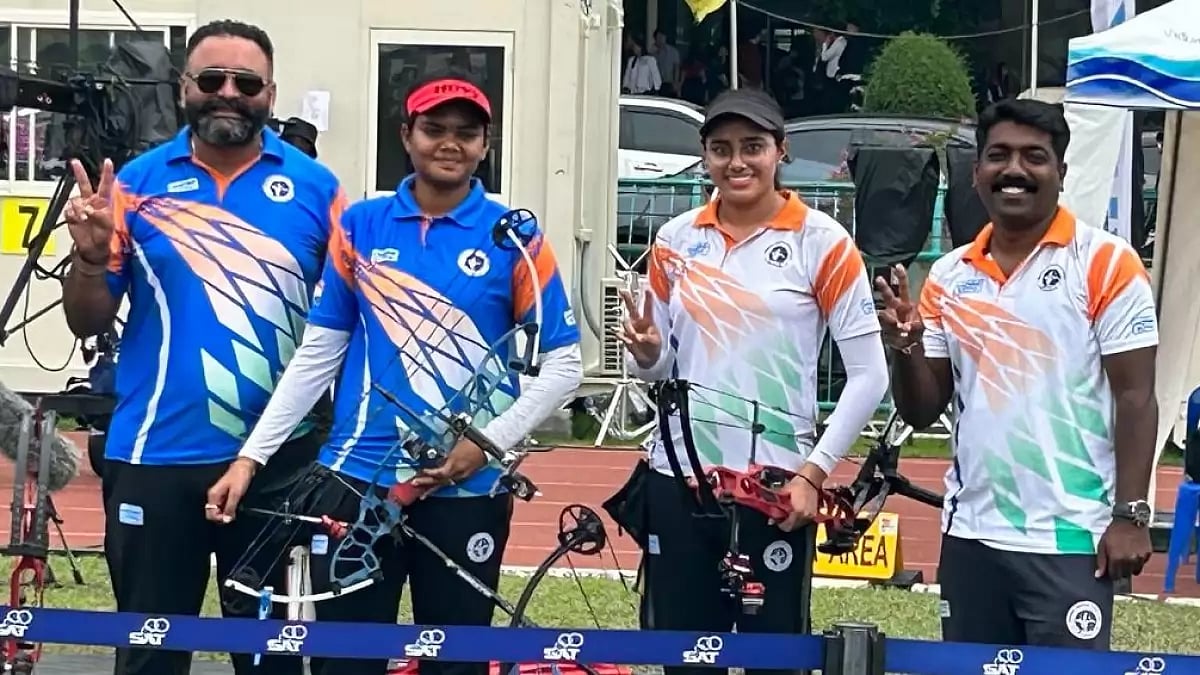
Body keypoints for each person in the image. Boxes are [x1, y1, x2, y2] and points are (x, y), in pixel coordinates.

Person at [204, 70, 584, 675]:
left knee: (456, 663)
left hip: (467, 489)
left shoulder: (514, 235)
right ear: (407, 135)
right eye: (434, 129)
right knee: (347, 663)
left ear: (486, 144)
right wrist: (251, 458)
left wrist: (481, 448)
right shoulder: (361, 225)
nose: (449, 143)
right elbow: (319, 354)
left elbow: (565, 366)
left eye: (466, 132)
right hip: (357, 481)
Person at [60, 19, 342, 675]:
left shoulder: (317, 189)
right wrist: (91, 255)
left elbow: (349, 322)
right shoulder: (133, 182)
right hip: (154, 456)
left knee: (272, 663)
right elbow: (85, 318)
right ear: (184, 87)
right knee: (151, 660)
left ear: (271, 94)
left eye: (246, 82)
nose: (228, 93)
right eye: (210, 79)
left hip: (280, 462)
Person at [611, 88, 888, 675]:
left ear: (780, 152)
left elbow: (870, 375)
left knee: (775, 662)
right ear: (705, 156)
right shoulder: (675, 240)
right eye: (721, 149)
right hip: (680, 480)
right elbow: (657, 371)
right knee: (683, 660)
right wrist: (649, 356)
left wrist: (813, 474)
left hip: (774, 489)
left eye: (753, 147)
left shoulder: (824, 241)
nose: (737, 162)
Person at [878, 98, 1157, 649]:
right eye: (998, 156)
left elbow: (1136, 397)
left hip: (1072, 540)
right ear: (977, 173)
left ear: (1061, 174)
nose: (1014, 170)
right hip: (973, 537)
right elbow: (921, 409)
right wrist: (905, 350)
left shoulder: (1105, 262)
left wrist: (1131, 515)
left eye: (1034, 157)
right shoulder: (949, 275)